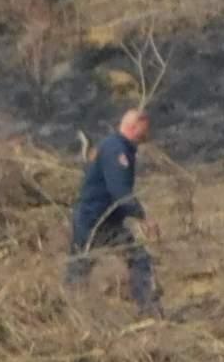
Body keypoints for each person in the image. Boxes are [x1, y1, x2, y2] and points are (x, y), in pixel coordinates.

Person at [67, 106, 161, 312]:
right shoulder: (117, 150)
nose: (148, 133)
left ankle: (71, 309)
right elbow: (119, 190)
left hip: (98, 218)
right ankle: (148, 308)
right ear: (134, 126)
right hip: (96, 220)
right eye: (145, 128)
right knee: (136, 258)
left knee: (80, 266)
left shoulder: (116, 146)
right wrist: (142, 217)